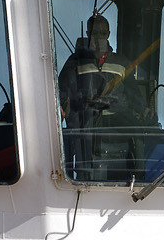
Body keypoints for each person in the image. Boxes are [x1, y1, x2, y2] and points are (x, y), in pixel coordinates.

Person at [57, 14, 143, 179]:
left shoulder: (121, 63)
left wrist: (145, 110)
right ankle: (83, 176)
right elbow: (62, 89)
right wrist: (59, 108)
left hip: (117, 121)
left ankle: (139, 174)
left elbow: (134, 95)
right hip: (86, 123)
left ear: (109, 34)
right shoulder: (75, 61)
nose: (99, 36)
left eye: (103, 33)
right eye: (95, 32)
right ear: (88, 33)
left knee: (137, 130)